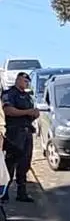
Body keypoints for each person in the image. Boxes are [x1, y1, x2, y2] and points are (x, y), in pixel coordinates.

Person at [1, 72, 38, 203]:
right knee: (10, 164)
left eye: (28, 81)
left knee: (24, 164)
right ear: (18, 80)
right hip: (14, 134)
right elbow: (8, 111)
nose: (26, 83)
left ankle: (22, 193)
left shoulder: (27, 96)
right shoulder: (9, 93)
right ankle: (3, 193)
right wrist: (27, 112)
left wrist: (34, 114)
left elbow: (30, 111)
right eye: (24, 81)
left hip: (27, 132)